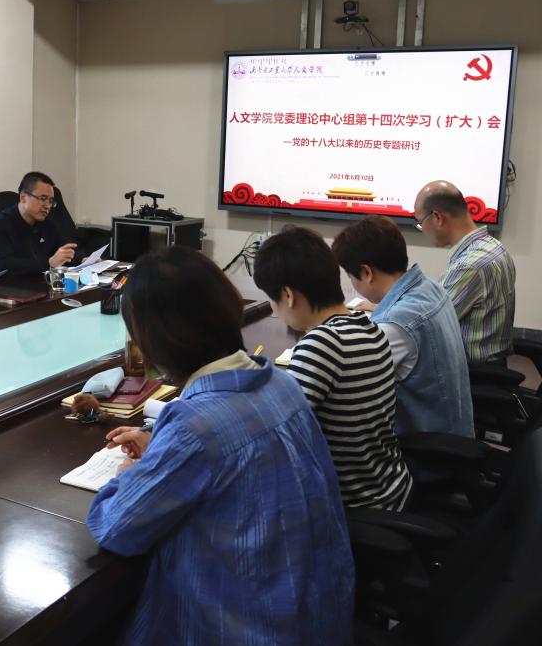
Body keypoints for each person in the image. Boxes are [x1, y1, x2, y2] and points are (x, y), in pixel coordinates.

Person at [87, 246, 353, 645]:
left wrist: (132, 473)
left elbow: (117, 527)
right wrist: (162, 447)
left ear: (153, 339)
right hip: (316, 619)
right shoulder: (280, 383)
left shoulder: (195, 426)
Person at [254, 226, 412, 511]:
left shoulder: (323, 344)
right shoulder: (369, 328)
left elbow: (269, 434)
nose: (275, 311)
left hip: (353, 507)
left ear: (288, 295)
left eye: (273, 301)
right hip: (390, 488)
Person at [332, 216, 473, 437]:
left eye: (351, 277)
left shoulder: (395, 326)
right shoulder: (430, 288)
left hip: (424, 446)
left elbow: (347, 386)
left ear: (366, 273)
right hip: (454, 430)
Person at [413, 180, 516, 366]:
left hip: (471, 372)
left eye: (420, 223)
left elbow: (425, 324)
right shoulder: (494, 247)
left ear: (437, 217)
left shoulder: (470, 265)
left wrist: (385, 308)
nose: (422, 230)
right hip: (492, 364)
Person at [0, 171, 82, 276]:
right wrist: (48, 263)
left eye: (50, 201)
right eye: (43, 199)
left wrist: (83, 259)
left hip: (41, 282)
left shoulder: (47, 222)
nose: (47, 206)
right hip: (11, 285)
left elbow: (62, 248)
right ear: (23, 197)